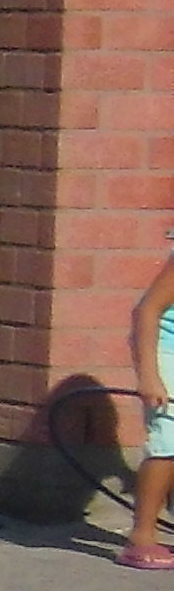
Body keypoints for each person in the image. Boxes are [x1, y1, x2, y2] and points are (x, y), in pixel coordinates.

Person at [120, 227, 174, 570]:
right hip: (167, 351)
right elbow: (147, 312)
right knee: (167, 440)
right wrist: (150, 376)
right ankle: (140, 537)